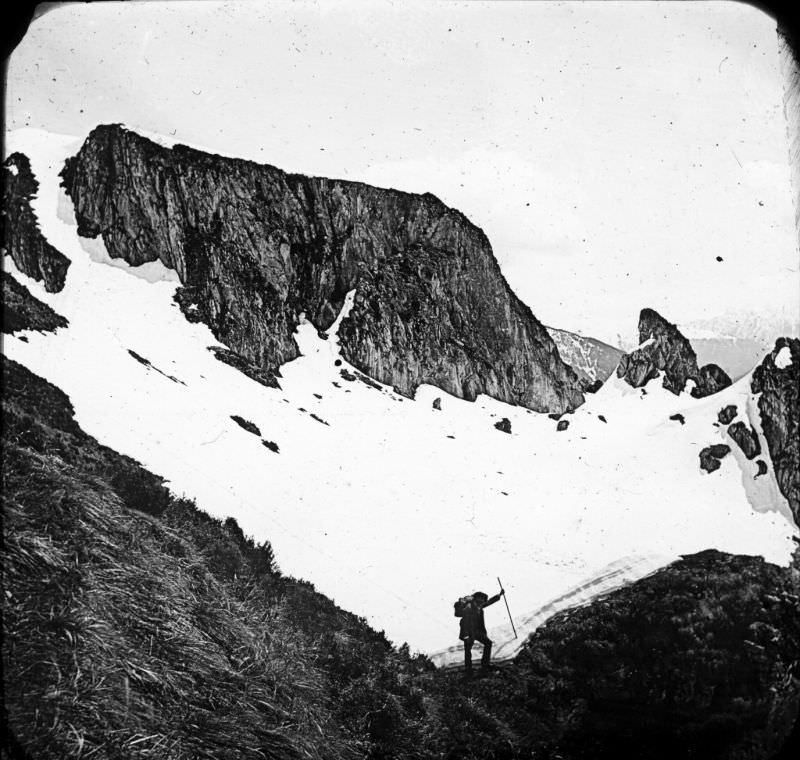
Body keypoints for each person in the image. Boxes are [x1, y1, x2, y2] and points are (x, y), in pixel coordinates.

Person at [459, 589, 503, 675]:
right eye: (480, 600)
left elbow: (490, 602)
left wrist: (499, 595)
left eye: (483, 600)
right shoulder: (469, 607)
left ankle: (483, 665)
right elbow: (463, 622)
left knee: (487, 643)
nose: (482, 602)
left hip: (477, 632)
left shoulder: (479, 606)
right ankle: (469, 668)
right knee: (468, 649)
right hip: (468, 632)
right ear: (476, 599)